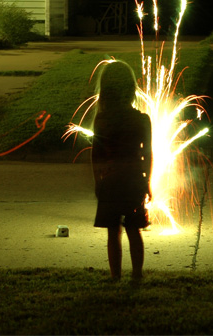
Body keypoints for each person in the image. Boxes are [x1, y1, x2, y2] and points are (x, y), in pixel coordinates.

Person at [92, 60, 152, 280]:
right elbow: (148, 155)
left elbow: (96, 154)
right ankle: (137, 274)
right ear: (131, 88)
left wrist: (98, 181)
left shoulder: (102, 119)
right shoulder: (142, 120)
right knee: (134, 230)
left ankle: (115, 275)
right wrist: (147, 181)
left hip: (110, 179)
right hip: (134, 179)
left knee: (112, 231)